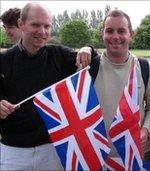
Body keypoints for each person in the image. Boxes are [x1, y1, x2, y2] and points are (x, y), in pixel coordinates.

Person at [0, 3, 95, 170]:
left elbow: (92, 60)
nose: (42, 32)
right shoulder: (4, 60)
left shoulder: (58, 55)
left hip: (51, 149)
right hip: (13, 150)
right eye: (35, 25)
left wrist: (88, 48)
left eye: (47, 26)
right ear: (21, 24)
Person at [90, 10, 150, 161]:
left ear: (131, 34)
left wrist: (145, 130)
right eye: (109, 31)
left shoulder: (145, 68)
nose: (115, 36)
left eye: (121, 31)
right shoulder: (89, 68)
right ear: (102, 33)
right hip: (97, 156)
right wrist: (86, 49)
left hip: (136, 154)